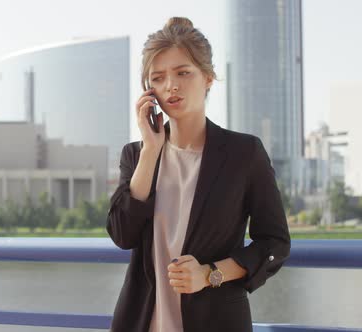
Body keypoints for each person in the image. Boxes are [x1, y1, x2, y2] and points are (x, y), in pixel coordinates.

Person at [106, 17, 291, 332]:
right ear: (149, 92)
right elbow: (122, 234)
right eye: (158, 78)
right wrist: (151, 151)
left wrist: (210, 275)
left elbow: (274, 243)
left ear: (207, 78)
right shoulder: (136, 155)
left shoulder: (244, 153)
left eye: (183, 73)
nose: (171, 86)